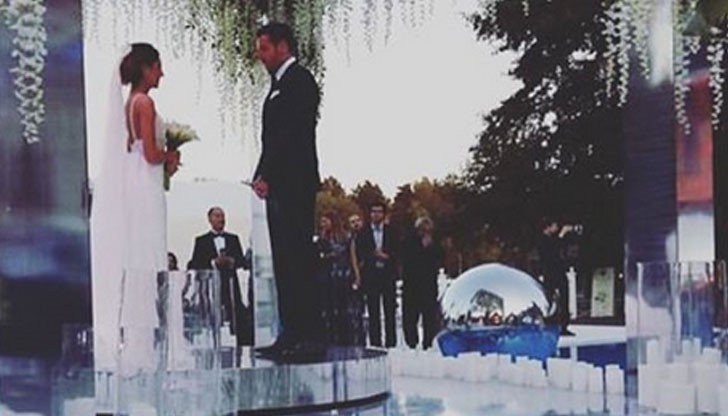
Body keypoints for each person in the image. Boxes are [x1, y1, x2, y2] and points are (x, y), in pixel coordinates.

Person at [90, 43, 180, 373]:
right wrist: (170, 156)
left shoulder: (130, 103)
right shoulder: (144, 102)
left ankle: (137, 341)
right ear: (145, 68)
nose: (161, 74)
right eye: (157, 67)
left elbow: (135, 148)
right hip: (146, 187)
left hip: (137, 181)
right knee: (147, 255)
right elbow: (151, 154)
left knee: (139, 255)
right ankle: (141, 345)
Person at [252, 23, 323, 358]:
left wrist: (270, 173)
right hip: (278, 184)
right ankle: (289, 333)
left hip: (295, 182)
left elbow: (291, 134)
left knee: (298, 257)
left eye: (265, 49)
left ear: (283, 47)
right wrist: (260, 174)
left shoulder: (300, 81)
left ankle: (310, 336)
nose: (260, 56)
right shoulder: (277, 86)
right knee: (283, 260)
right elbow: (270, 139)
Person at [188, 207, 252, 345]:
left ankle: (240, 342)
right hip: (211, 286)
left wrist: (231, 261)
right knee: (212, 316)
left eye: (222, 216)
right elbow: (195, 263)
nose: (221, 219)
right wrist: (213, 263)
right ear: (210, 219)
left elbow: (241, 261)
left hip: (230, 285)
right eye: (217, 216)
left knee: (236, 315)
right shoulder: (201, 240)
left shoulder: (233, 238)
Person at [315, 213, 364, 346]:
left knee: (344, 307)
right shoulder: (321, 238)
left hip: (343, 274)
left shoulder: (346, 237)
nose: (322, 224)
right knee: (329, 307)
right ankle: (332, 336)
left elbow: (352, 257)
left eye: (325, 221)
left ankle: (347, 337)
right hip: (327, 275)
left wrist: (357, 276)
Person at [356, 201, 399, 348]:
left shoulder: (392, 231)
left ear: (384, 214)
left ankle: (391, 342)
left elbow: (397, 251)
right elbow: (360, 252)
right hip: (371, 275)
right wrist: (373, 255)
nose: (376, 214)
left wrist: (386, 256)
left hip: (387, 274)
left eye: (379, 211)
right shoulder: (364, 232)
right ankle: (375, 342)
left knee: (389, 310)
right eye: (373, 211)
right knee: (373, 311)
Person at [401, 216, 443, 350]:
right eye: (423, 230)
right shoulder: (409, 241)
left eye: (428, 230)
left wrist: (429, 247)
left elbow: (439, 258)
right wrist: (421, 247)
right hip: (412, 284)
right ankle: (411, 341)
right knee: (410, 316)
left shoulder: (435, 243)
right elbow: (406, 259)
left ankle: (428, 341)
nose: (425, 233)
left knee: (429, 316)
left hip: (429, 284)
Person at [537, 217, 574, 336]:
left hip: (558, 271)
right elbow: (551, 251)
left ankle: (563, 324)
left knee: (564, 298)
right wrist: (561, 235)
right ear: (548, 227)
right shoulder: (542, 240)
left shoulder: (552, 239)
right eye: (554, 226)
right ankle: (549, 322)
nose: (556, 228)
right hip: (550, 272)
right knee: (550, 299)